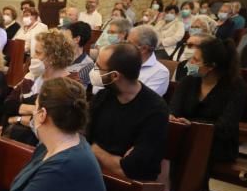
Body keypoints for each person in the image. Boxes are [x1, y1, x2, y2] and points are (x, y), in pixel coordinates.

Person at [86, 41, 169, 181]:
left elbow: (131, 169)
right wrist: (114, 159)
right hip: (94, 172)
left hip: (130, 186)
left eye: (98, 67)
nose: (94, 70)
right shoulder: (103, 96)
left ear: (115, 76)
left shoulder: (155, 110)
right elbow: (81, 138)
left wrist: (94, 149)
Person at [169, 35, 247, 164]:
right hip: (186, 136)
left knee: (191, 153)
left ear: (211, 66)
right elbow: (174, 107)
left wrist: (192, 125)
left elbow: (225, 127)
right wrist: (172, 116)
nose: (189, 63)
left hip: (217, 143)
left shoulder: (236, 86)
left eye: (195, 60)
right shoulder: (188, 80)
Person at [0, 31, 76, 146]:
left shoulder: (69, 86)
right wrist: (35, 111)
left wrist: (17, 119)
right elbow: (9, 104)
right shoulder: (32, 77)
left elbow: (51, 123)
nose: (33, 56)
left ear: (53, 57)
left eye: (38, 53)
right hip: (17, 137)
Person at [128, 24, 171, 96]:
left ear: (143, 49)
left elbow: (143, 99)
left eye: (129, 43)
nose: (125, 46)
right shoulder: (122, 60)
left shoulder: (160, 72)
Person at [63, 21, 95, 86]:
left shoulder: (88, 65)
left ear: (77, 39)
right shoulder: (61, 57)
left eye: (66, 38)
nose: (63, 41)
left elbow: (73, 87)